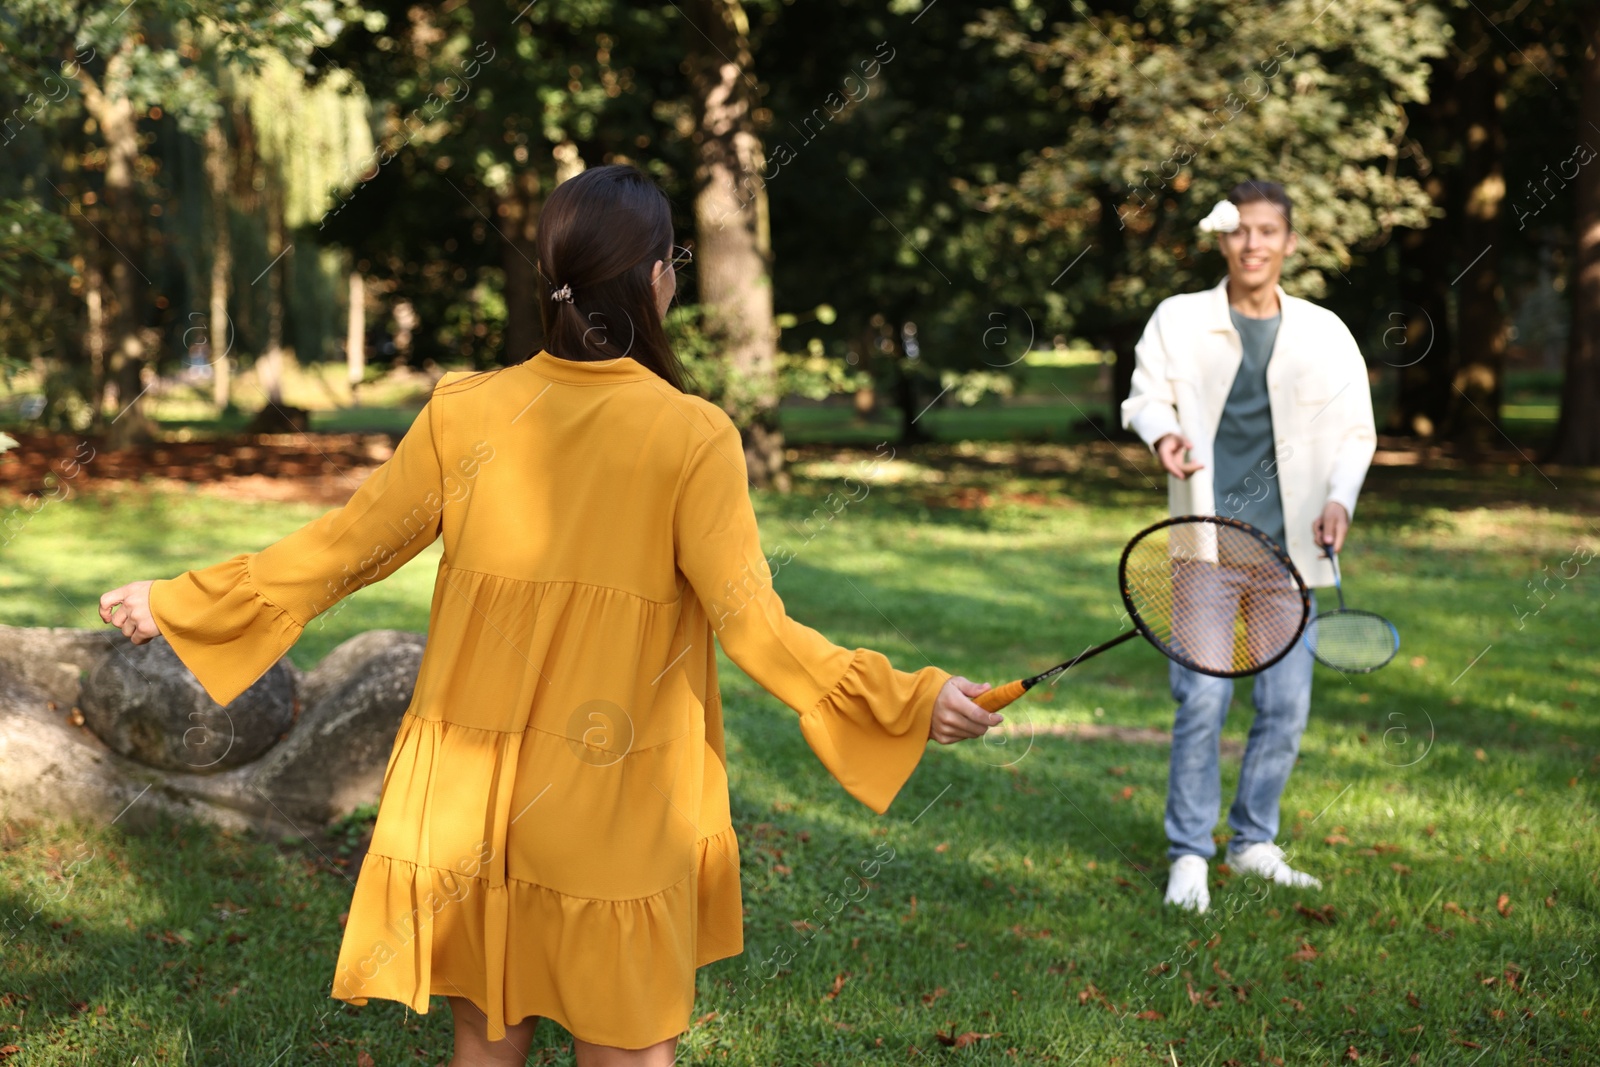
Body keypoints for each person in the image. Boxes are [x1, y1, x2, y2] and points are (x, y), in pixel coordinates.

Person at [98, 163, 1000, 1067]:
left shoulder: (467, 410)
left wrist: (179, 601)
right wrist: (905, 700)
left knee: (485, 1052)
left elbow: (343, 549)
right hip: (612, 803)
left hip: (472, 798)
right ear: (657, 277)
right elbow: (754, 625)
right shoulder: (691, 435)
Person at [1120, 179, 1377, 914]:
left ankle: (1254, 840)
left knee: (1286, 706)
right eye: (1240, 231)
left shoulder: (1324, 333)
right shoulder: (1179, 318)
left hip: (1287, 555)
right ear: (1222, 239)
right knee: (1201, 698)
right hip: (1204, 547)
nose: (1253, 244)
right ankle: (1189, 853)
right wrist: (1163, 432)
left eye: (1268, 231)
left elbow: (1356, 432)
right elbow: (1144, 396)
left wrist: (1340, 499)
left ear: (1289, 242)